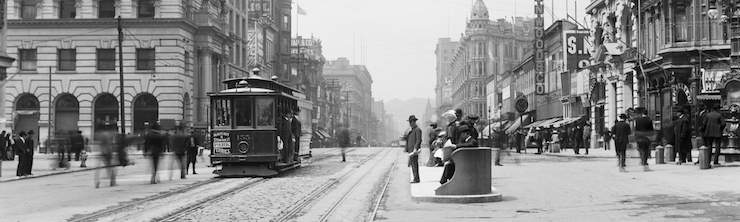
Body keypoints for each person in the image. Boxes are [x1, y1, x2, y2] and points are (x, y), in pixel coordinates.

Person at [404, 115, 422, 184]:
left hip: (414, 150)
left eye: (411, 122)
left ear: (414, 122)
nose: (410, 123)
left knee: (414, 164)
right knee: (413, 164)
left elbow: (418, 140)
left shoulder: (417, 130)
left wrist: (415, 148)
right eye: (410, 122)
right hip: (411, 150)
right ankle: (415, 178)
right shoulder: (412, 130)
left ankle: (416, 179)